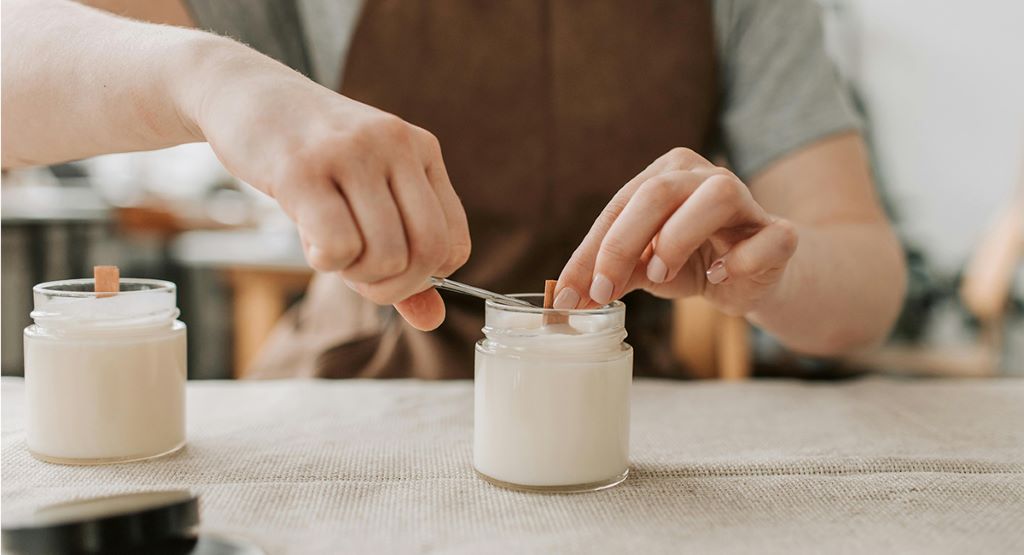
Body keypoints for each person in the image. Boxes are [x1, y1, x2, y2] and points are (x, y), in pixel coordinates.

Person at [2, 0, 907, 379]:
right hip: (345, 403)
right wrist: (205, 75)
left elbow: (867, 280)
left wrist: (770, 278)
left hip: (622, 433)